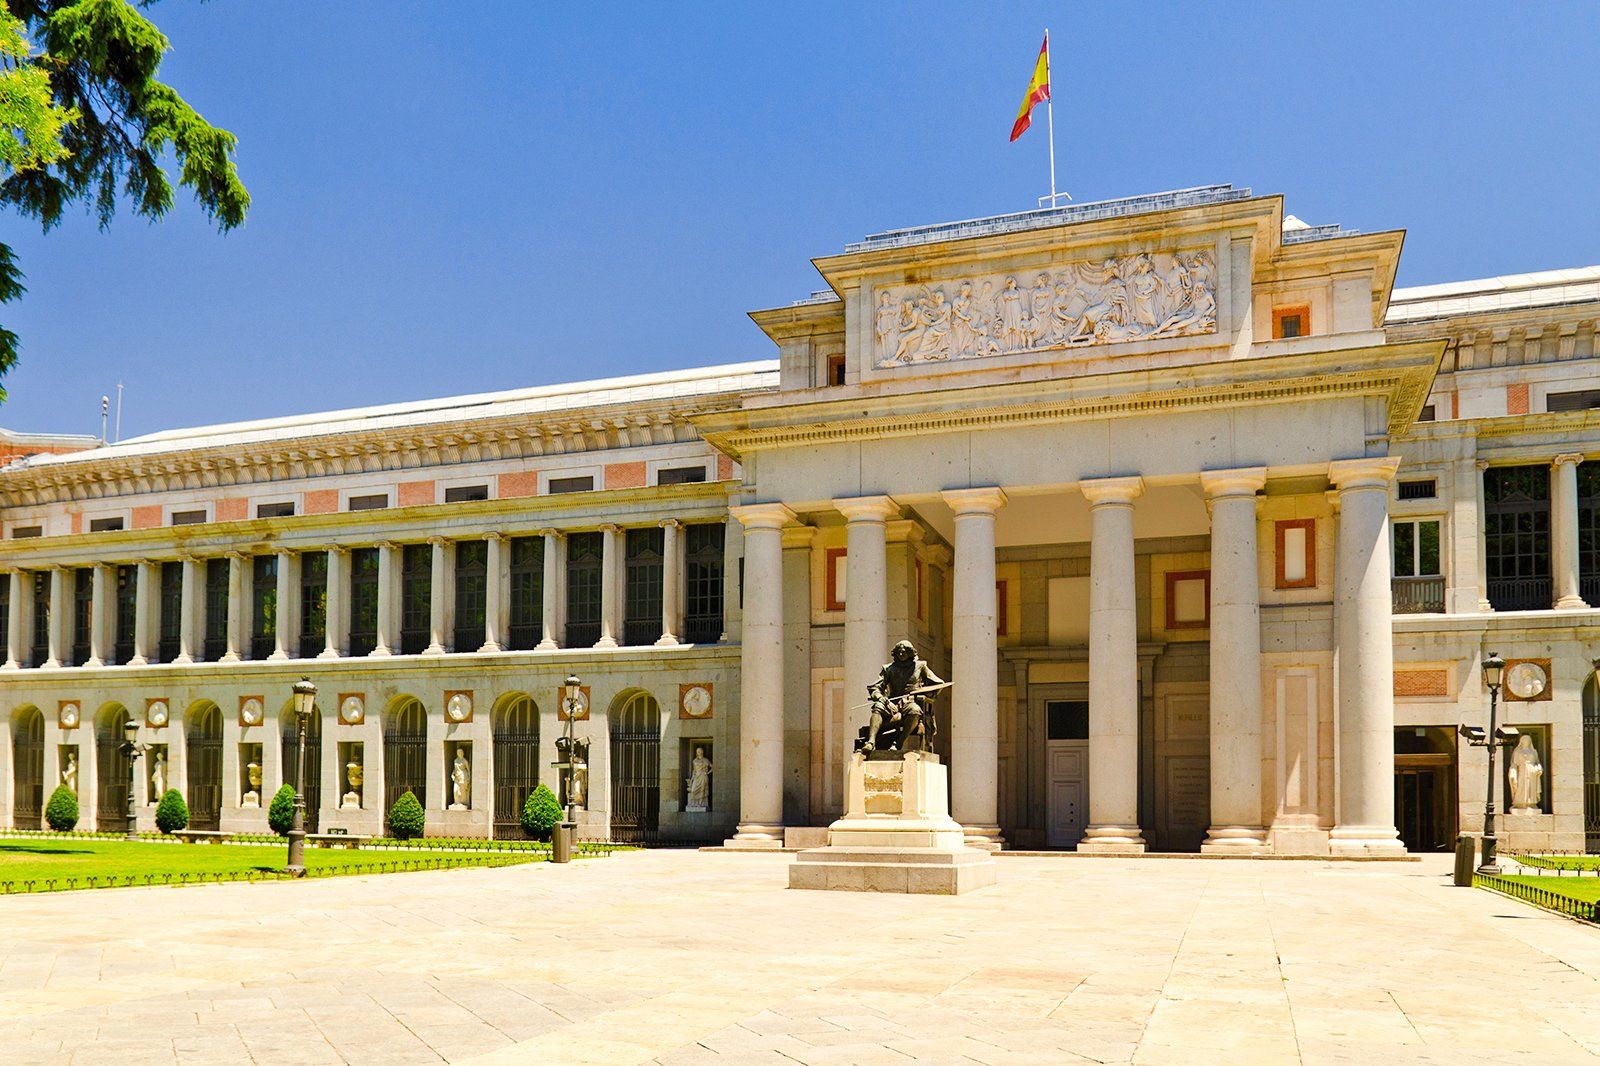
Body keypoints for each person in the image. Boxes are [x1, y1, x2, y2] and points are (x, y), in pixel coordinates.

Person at [860, 640, 946, 755]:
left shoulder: (920, 666)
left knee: (915, 711)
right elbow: (875, 687)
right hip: (892, 703)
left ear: (910, 653)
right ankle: (870, 742)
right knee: (878, 706)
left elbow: (939, 684)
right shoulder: (888, 668)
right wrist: (880, 697)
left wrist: (926, 693)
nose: (901, 654)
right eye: (899, 652)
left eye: (904, 652)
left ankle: (898, 743)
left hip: (910, 702)